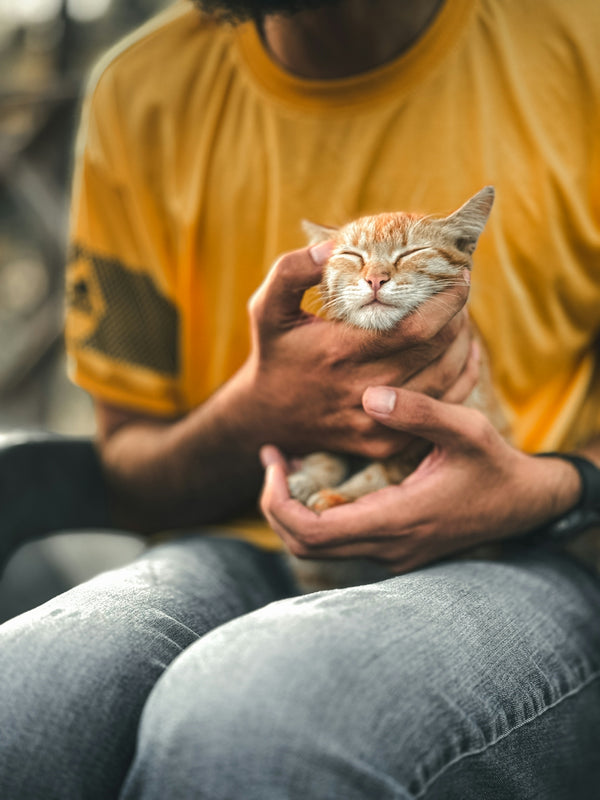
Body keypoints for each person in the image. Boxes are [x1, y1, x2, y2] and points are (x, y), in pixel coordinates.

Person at [1, 0, 600, 797]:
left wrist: (549, 490)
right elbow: (131, 472)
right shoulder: (140, 92)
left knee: (254, 723)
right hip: (235, 540)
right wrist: (259, 409)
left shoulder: (582, 40)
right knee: (28, 694)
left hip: (535, 554)